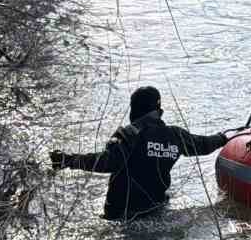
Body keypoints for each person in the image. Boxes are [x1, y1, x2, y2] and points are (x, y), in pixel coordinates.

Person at [49, 86, 228, 221]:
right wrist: (223, 138)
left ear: (134, 110)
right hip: (156, 211)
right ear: (158, 111)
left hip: (121, 215)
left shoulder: (128, 134)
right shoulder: (175, 136)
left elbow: (105, 162)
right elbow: (204, 145)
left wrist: (68, 160)